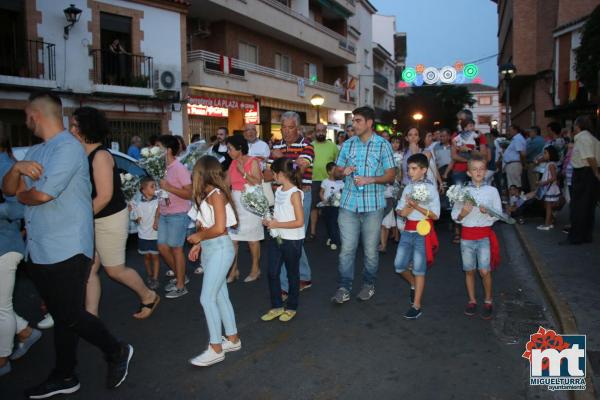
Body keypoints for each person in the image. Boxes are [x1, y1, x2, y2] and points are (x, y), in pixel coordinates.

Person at [2, 92, 132, 398]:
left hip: (69, 247)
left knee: (70, 314)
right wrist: (17, 171)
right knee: (63, 316)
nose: (25, 121)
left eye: (25, 115)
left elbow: (42, 195)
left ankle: (116, 350)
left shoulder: (69, 149)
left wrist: (23, 192)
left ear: (35, 115)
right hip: (40, 248)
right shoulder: (35, 150)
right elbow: (9, 189)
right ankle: (64, 375)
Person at [70, 107, 159, 319]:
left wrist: (77, 218)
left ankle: (149, 296)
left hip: (108, 219)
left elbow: (104, 196)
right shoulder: (82, 153)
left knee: (115, 270)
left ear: (86, 128)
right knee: (89, 269)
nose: (70, 129)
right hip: (94, 219)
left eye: (74, 125)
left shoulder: (100, 155)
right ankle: (91, 316)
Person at [331, 106, 395, 304]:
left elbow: (391, 175)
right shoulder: (348, 145)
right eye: (353, 120)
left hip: (373, 206)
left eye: (358, 120)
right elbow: (335, 172)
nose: (354, 124)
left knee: (370, 250)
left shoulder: (383, 145)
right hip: (349, 205)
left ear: (369, 123)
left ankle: (368, 284)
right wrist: (343, 172)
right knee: (347, 249)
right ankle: (344, 286)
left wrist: (370, 179)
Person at [187, 156, 241, 367]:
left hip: (220, 249)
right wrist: (199, 244)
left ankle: (216, 348)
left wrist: (199, 238)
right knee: (219, 296)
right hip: (211, 249)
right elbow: (207, 226)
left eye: (195, 172)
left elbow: (219, 228)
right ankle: (233, 339)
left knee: (207, 298)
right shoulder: (208, 194)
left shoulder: (216, 195)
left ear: (202, 174)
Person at [0, 131, 41, 377]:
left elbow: (17, 208)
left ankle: (2, 359)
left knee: (1, 306)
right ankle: (24, 331)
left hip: (6, 245)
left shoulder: (6, 165)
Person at [266, 111, 314, 295]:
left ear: (298, 128)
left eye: (290, 127)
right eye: (283, 127)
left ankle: (284, 287)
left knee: (290, 240)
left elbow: (299, 171)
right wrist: (284, 164)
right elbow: (268, 174)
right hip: (280, 197)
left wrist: (280, 160)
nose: (286, 131)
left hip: (301, 196)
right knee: (293, 239)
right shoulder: (277, 145)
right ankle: (305, 276)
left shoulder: (306, 146)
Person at [451, 154, 502, 320]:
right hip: (466, 237)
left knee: (484, 270)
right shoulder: (463, 192)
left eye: (481, 169)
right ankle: (472, 300)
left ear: (486, 172)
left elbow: (499, 214)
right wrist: (463, 213)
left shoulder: (492, 191)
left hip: (484, 236)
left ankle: (488, 300)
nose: (478, 172)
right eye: (475, 169)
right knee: (469, 270)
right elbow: (454, 216)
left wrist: (489, 212)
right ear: (469, 173)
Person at [394, 153, 440, 319]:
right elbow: (399, 210)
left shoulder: (431, 189)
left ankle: (417, 305)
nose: (410, 172)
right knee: (399, 266)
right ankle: (413, 284)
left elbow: (435, 215)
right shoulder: (407, 188)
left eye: (414, 169)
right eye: (408, 169)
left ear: (424, 170)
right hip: (408, 230)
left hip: (423, 230)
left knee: (419, 270)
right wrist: (404, 210)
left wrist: (416, 206)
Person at [260, 158, 305, 322]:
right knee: (272, 272)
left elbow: (300, 222)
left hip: (292, 240)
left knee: (293, 274)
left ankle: (292, 306)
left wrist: (276, 223)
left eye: (273, 173)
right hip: (276, 237)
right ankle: (277, 306)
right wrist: (269, 219)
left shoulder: (295, 193)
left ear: (280, 174)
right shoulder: (279, 190)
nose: (272, 175)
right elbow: (279, 213)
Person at [156, 134, 193, 298]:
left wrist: (169, 187)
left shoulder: (179, 168)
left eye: (158, 147)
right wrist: (157, 215)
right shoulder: (161, 167)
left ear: (168, 150)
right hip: (164, 213)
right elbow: (160, 192)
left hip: (178, 214)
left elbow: (189, 193)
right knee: (162, 247)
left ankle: (180, 285)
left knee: (176, 249)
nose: (154, 150)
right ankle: (181, 276)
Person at [225, 134, 263, 283]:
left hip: (251, 201)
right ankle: (233, 270)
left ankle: (255, 269)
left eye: (230, 148)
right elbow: (227, 183)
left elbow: (257, 182)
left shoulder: (253, 161)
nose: (228, 151)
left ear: (240, 148)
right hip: (236, 202)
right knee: (233, 239)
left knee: (252, 239)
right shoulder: (232, 163)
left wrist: (243, 173)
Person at [563, 116, 600, 245]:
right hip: (588, 173)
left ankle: (576, 237)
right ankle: (585, 235)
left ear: (578, 126)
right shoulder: (591, 137)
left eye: (574, 125)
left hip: (583, 173)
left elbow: (589, 157)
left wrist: (596, 172)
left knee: (578, 207)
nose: (573, 128)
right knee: (588, 206)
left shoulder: (582, 138)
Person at [308, 123, 339, 241]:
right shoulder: (310, 146)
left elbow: (338, 163)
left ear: (326, 132)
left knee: (330, 208)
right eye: (318, 130)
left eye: (322, 130)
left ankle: (331, 234)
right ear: (315, 132)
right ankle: (312, 232)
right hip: (314, 180)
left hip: (330, 182)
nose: (320, 132)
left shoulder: (333, 146)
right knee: (314, 207)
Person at [132, 177, 161, 289]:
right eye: (152, 186)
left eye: (155, 186)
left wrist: (157, 220)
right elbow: (136, 219)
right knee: (147, 257)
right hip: (143, 235)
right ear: (143, 190)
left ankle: (155, 278)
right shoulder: (138, 204)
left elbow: (161, 211)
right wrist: (134, 216)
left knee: (155, 257)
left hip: (155, 235)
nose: (155, 188)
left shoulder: (158, 201)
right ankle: (149, 275)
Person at [379, 136, 403, 253]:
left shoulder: (401, 156)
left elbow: (401, 173)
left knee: (395, 211)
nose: (395, 144)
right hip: (384, 187)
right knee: (387, 212)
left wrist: (398, 179)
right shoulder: (384, 156)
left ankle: (396, 235)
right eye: (393, 142)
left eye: (397, 142)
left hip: (395, 186)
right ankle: (385, 241)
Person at [535, 146, 561, 231]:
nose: (544, 155)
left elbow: (553, 177)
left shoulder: (551, 164)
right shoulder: (550, 164)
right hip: (549, 187)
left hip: (549, 188)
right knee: (548, 206)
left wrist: (542, 183)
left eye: (545, 153)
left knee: (548, 207)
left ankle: (546, 224)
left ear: (551, 154)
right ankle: (549, 223)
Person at [320, 162, 343, 251]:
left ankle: (334, 241)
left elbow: (342, 193)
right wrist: (323, 200)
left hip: (336, 206)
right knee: (327, 223)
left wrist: (339, 196)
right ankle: (330, 237)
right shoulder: (325, 181)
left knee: (333, 223)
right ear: (329, 172)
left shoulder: (341, 183)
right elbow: (321, 192)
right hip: (326, 206)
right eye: (335, 170)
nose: (337, 171)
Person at [502, 124, 527, 190]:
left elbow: (522, 153)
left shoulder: (518, 139)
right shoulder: (516, 139)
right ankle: (513, 199)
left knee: (514, 185)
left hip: (514, 164)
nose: (509, 132)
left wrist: (523, 164)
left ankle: (515, 199)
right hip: (512, 164)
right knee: (512, 184)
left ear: (515, 130)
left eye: (510, 130)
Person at [525, 126, 545, 191]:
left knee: (533, 184)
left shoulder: (535, 141)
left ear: (535, 132)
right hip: (539, 164)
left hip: (534, 164)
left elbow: (526, 152)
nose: (529, 134)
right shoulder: (542, 139)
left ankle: (535, 199)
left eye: (530, 132)